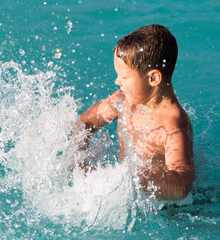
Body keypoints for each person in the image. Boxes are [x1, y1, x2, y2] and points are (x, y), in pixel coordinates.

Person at [76, 24, 194, 200]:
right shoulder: (123, 100)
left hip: (165, 206)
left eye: (124, 77)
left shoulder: (172, 126)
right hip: (124, 192)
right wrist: (78, 162)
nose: (117, 81)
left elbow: (182, 185)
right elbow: (86, 122)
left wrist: (129, 178)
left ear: (153, 78)